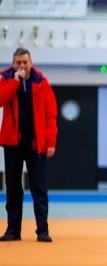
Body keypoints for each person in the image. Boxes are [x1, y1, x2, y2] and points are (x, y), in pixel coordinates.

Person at [0, 48, 57, 243]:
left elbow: (51, 115)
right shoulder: (5, 79)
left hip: (36, 144)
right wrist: (15, 82)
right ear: (13, 64)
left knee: (39, 188)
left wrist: (50, 142)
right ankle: (12, 230)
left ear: (31, 63)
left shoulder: (41, 82)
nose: (22, 66)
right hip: (12, 143)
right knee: (13, 187)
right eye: (18, 63)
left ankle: (42, 229)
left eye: (25, 62)